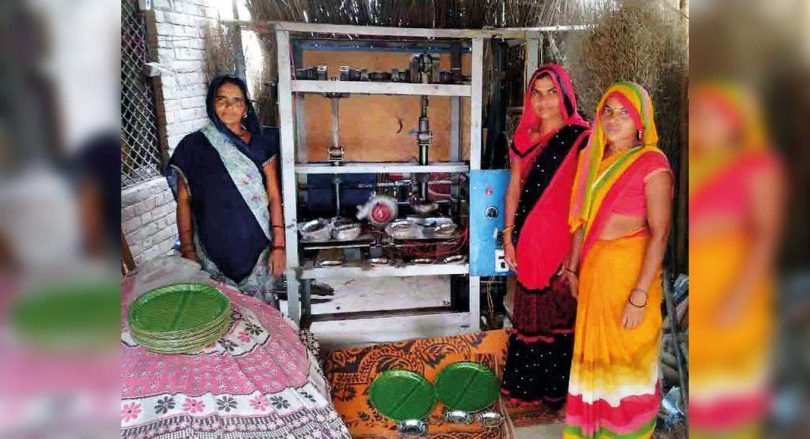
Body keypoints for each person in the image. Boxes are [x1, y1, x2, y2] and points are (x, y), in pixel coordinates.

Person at [562, 82, 673, 438]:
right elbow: (580, 221)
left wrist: (639, 295)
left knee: (628, 363)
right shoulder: (590, 159)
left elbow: (660, 233)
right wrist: (572, 268)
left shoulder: (652, 162)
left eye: (624, 111)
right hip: (595, 278)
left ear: (641, 119)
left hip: (630, 280)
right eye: (608, 111)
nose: (614, 118)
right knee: (593, 361)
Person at [689, 82, 783, 438]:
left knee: (733, 396)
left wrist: (739, 297)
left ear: (735, 122)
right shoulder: (700, 165)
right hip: (705, 296)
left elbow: (766, 236)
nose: (702, 124)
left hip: (735, 292)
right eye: (698, 115)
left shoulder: (757, 166)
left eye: (712, 116)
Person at [500, 64, 590, 409]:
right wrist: (508, 238)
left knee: (560, 313)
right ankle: (529, 390)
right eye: (537, 93)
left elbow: (585, 199)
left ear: (566, 94)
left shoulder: (582, 137)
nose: (544, 100)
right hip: (528, 240)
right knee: (529, 312)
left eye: (552, 91)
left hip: (564, 240)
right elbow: (513, 193)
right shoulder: (523, 139)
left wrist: (574, 253)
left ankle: (557, 392)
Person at [166, 74, 286, 304]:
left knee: (264, 317)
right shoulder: (192, 146)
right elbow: (183, 201)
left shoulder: (260, 144)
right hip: (210, 253)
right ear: (211, 103)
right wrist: (188, 252)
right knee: (219, 319)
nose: (229, 106)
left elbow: (273, 195)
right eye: (222, 99)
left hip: (258, 248)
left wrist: (279, 245)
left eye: (237, 101)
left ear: (245, 108)